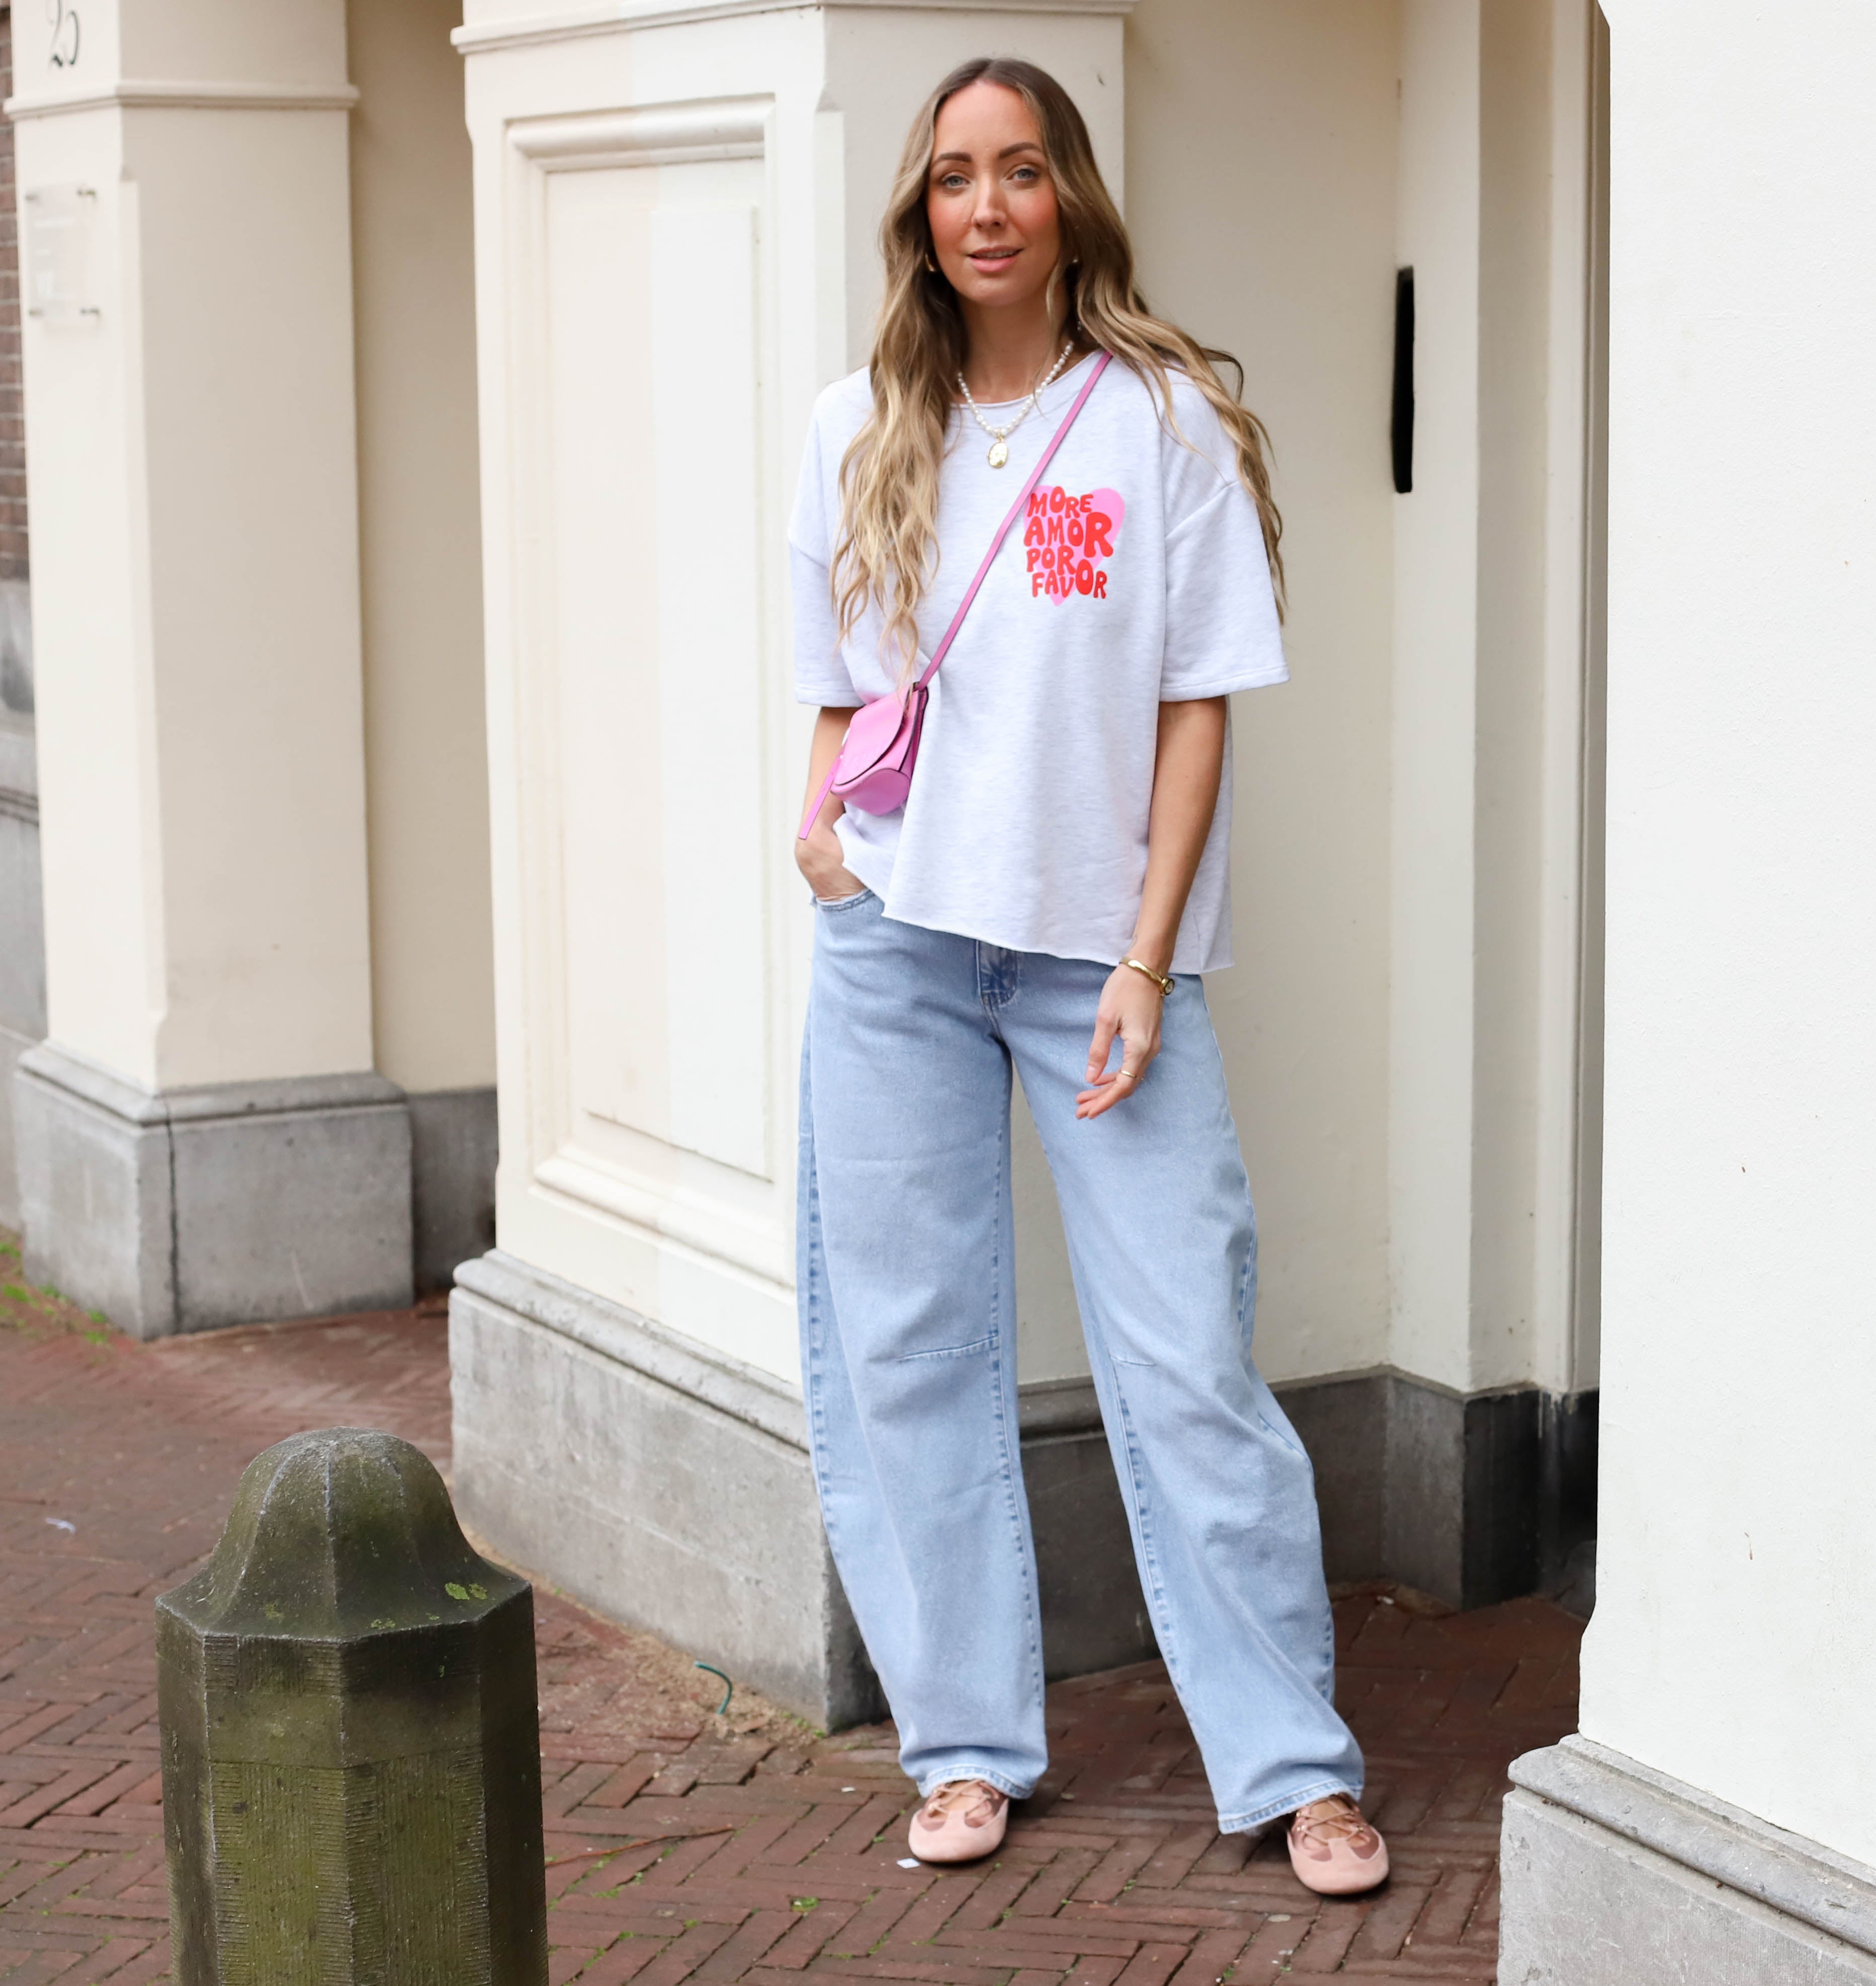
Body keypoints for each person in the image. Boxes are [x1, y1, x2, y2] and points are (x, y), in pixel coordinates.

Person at [788, 56, 1386, 1898]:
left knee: (1187, 1352)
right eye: (954, 175)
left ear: (1070, 200)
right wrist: (814, 826)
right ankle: (963, 1743)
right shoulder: (853, 424)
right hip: (894, 941)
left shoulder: (1161, 422)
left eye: (1021, 170)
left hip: (1096, 963)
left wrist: (1144, 955)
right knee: (905, 1348)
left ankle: (1294, 1766)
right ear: (920, 210)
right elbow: (838, 682)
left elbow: (1196, 706)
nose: (986, 206)